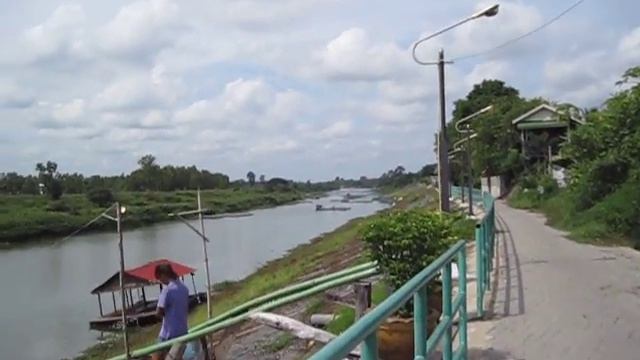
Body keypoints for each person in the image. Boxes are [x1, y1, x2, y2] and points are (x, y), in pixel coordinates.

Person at [152, 263, 190, 360]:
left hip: (168, 334)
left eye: (159, 278)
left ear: (163, 275)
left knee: (156, 357)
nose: (160, 281)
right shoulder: (184, 289)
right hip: (183, 331)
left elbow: (158, 312)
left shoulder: (167, 290)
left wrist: (162, 314)